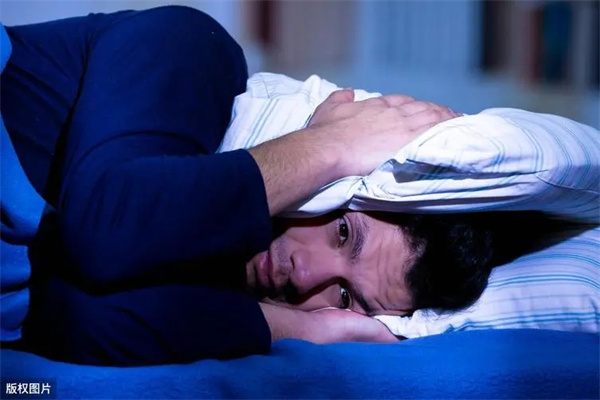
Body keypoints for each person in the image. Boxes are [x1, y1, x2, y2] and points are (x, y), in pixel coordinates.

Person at [0, 6, 527, 367]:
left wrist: (299, 330)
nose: (306, 277)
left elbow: (73, 315)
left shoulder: (210, 290)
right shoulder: (191, 51)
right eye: (344, 233)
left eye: (345, 295)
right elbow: (106, 225)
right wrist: (329, 146)